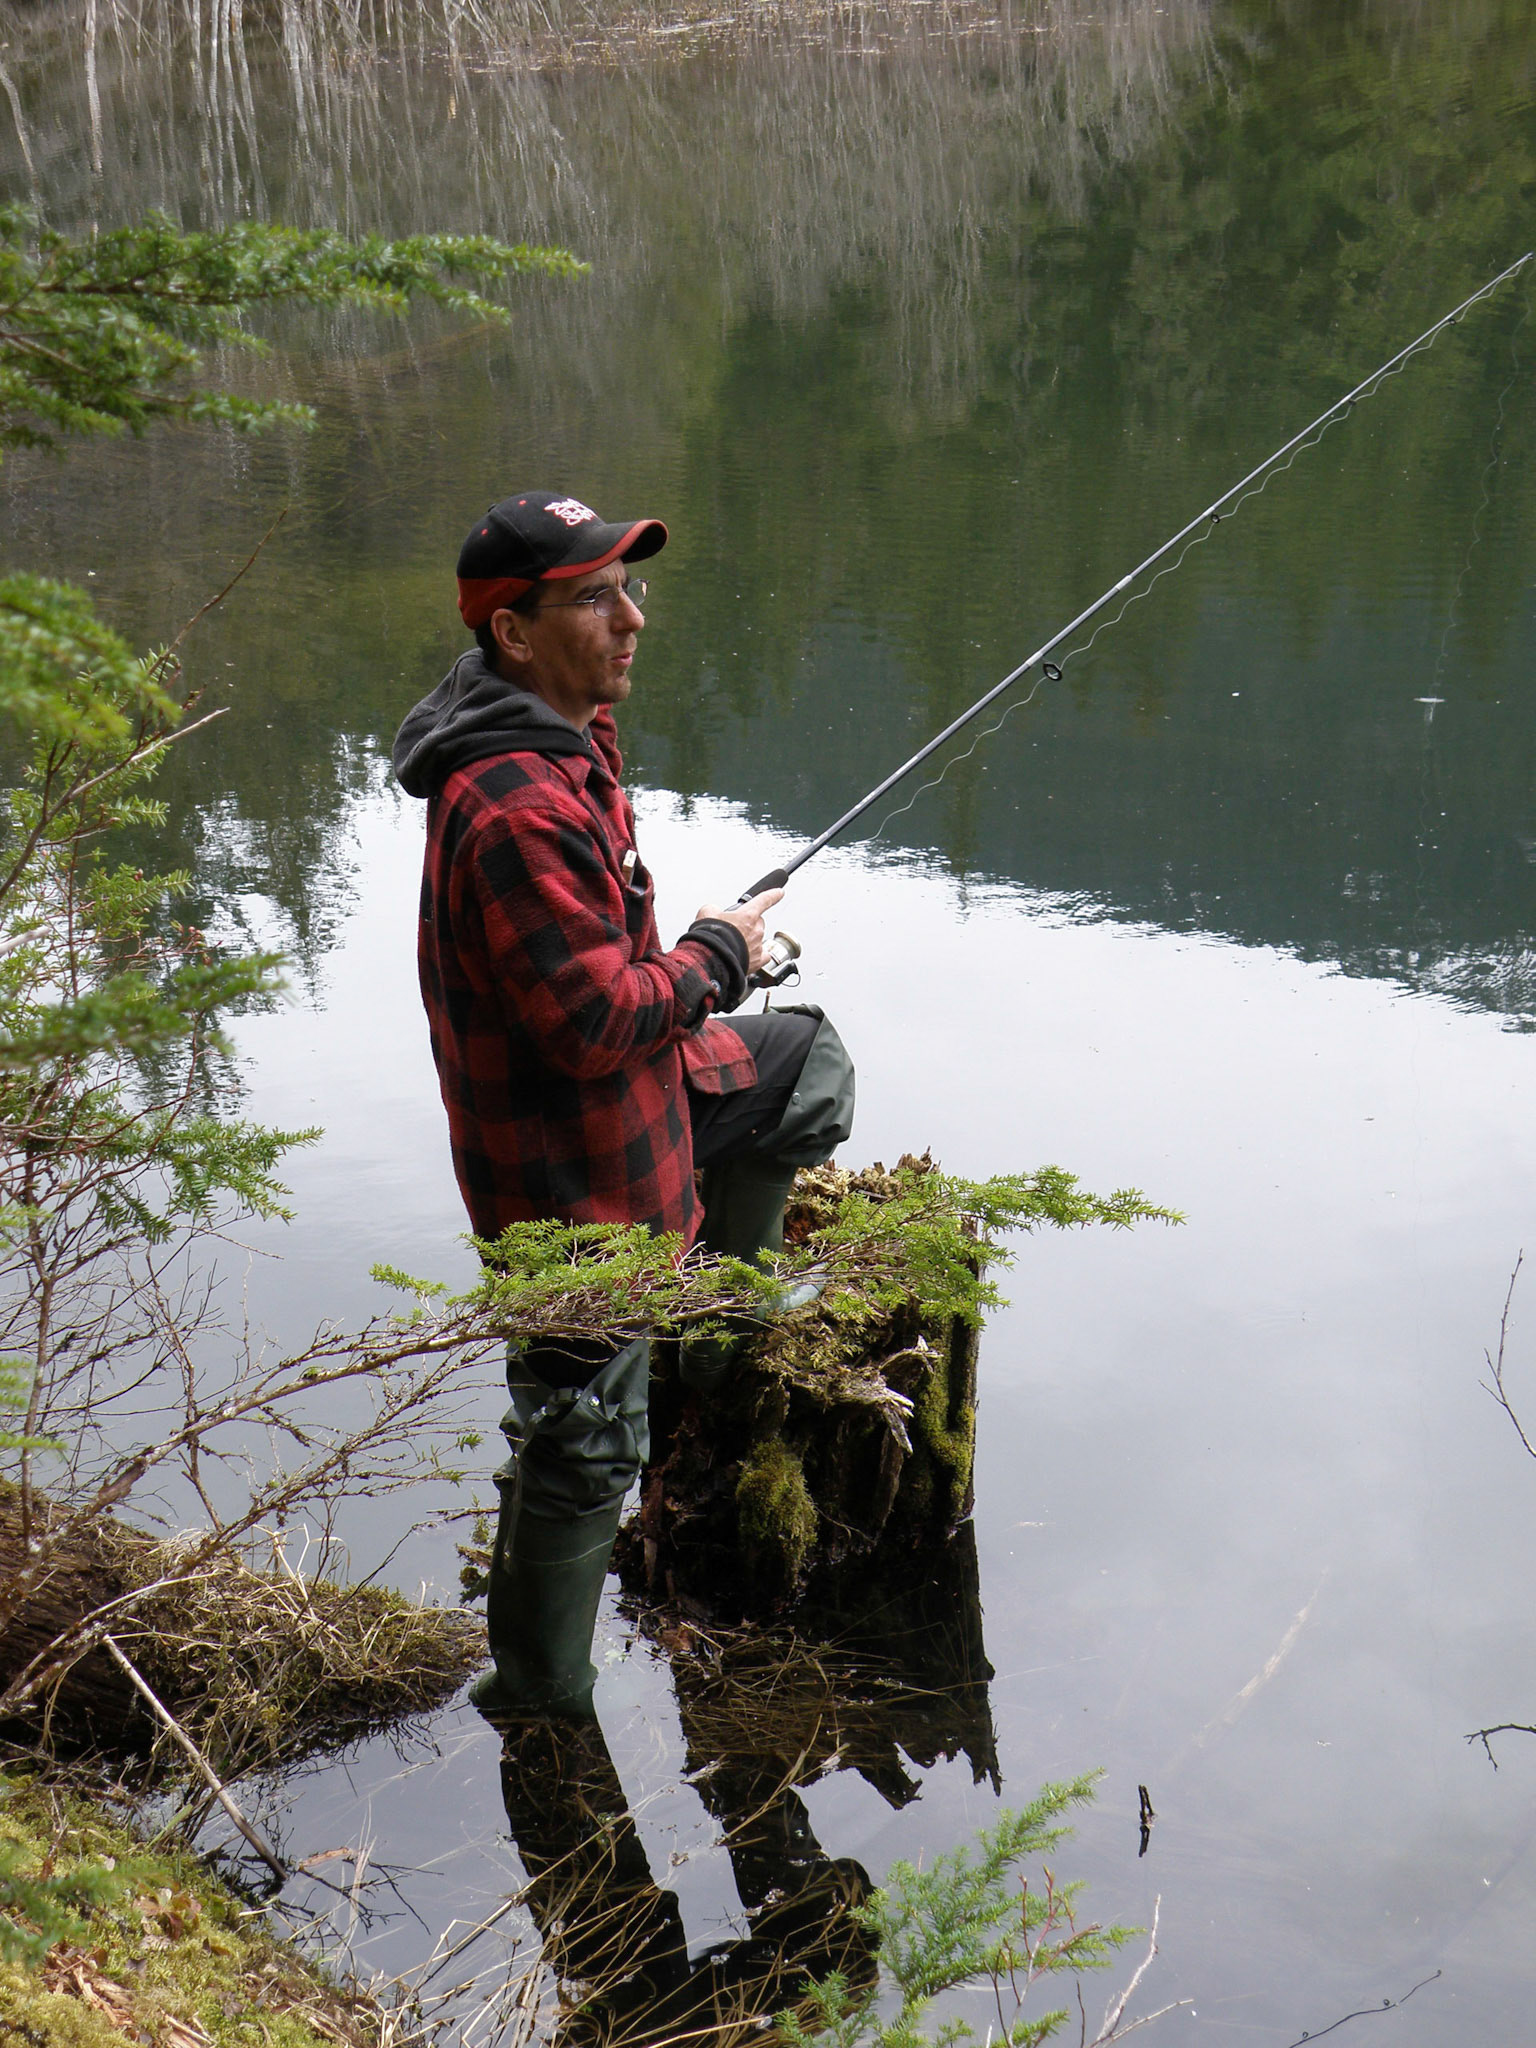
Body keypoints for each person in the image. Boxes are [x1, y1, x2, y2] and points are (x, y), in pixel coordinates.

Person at [392, 491, 854, 1718]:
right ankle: (539, 1702)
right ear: (513, 632)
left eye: (629, 588)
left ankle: (705, 1326)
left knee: (805, 1064)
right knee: (583, 1442)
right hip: (570, 1183)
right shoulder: (513, 802)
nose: (631, 617)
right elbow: (597, 1018)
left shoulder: (565, 731)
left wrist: (708, 954)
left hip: (642, 1116)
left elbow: (605, 985)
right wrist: (714, 954)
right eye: (596, 597)